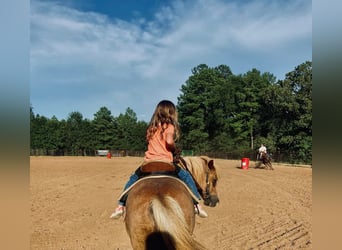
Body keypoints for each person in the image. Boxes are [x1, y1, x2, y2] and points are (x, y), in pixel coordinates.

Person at [110, 100, 208, 219]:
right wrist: (174, 147)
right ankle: (196, 204)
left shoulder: (151, 128)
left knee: (133, 178)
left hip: (149, 162)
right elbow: (169, 141)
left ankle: (120, 205)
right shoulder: (170, 126)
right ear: (171, 113)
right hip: (166, 162)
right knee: (186, 176)